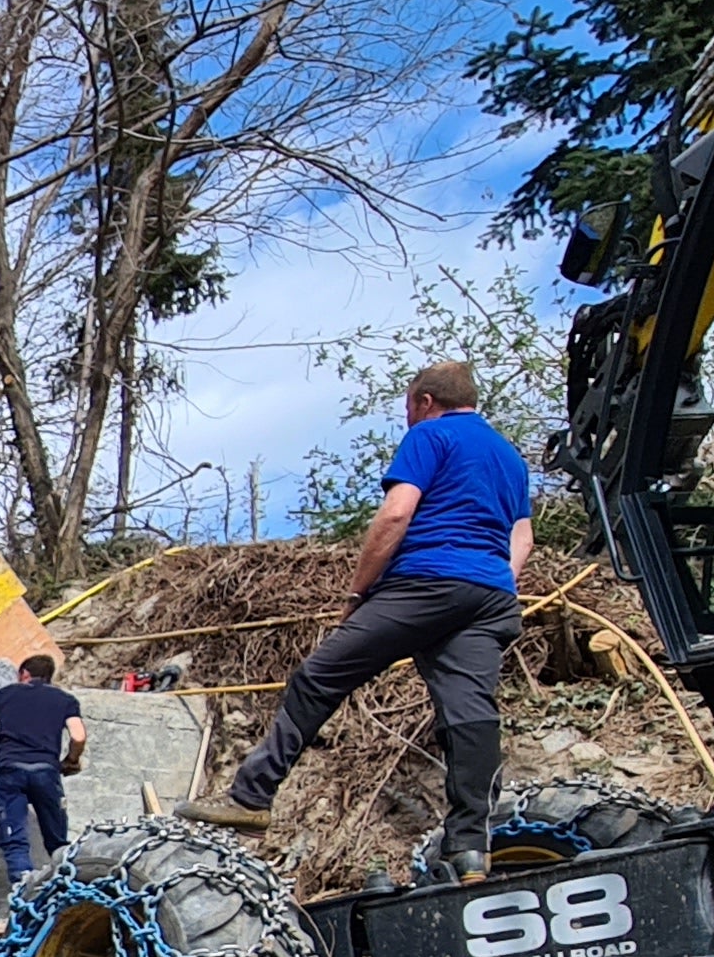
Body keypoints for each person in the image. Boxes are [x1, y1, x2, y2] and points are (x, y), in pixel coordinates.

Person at [184, 359, 535, 878]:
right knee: (469, 716)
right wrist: (488, 577)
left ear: (424, 402)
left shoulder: (431, 436)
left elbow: (396, 513)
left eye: (409, 409)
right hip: (489, 595)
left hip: (426, 581)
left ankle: (251, 796)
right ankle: (470, 847)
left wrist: (359, 591)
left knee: (319, 676)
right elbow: (522, 536)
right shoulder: (510, 457)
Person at [0, 652, 86, 878]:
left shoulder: (9, 693)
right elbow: (78, 736)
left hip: (10, 770)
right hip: (46, 770)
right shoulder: (64, 700)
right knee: (57, 840)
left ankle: (21, 887)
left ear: (24, 674)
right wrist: (70, 760)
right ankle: (65, 885)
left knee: (13, 838)